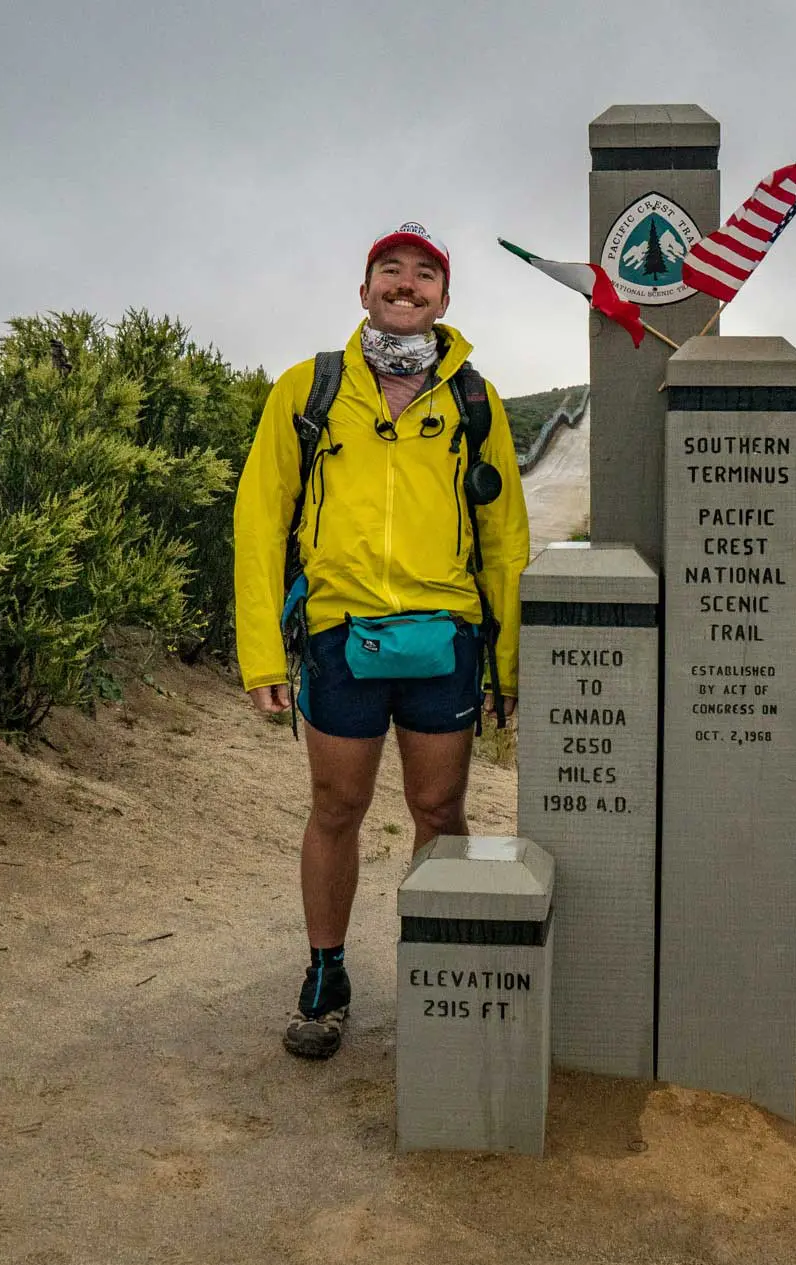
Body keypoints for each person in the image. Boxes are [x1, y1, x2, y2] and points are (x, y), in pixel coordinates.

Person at [233, 223, 528, 1060]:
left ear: (445, 296)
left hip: (447, 637)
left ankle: (439, 976)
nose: (407, 284)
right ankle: (325, 980)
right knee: (337, 806)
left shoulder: (474, 399)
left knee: (439, 808)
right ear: (364, 292)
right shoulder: (309, 389)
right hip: (340, 633)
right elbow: (259, 522)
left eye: (425, 273)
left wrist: (509, 662)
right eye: (390, 271)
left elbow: (505, 535)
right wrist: (261, 650)